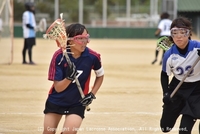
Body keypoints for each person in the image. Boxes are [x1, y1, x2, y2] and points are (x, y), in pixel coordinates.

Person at [42, 23, 104, 134]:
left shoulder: (93, 56)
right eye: (80, 38)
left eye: (86, 38)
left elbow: (100, 75)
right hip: (57, 100)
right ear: (69, 41)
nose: (85, 41)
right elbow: (59, 88)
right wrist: (69, 78)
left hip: (77, 103)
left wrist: (92, 94)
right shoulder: (59, 57)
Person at [160, 17, 200, 134]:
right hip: (178, 87)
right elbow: (164, 75)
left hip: (197, 88)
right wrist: (166, 92)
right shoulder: (169, 54)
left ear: (189, 34)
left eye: (183, 33)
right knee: (165, 127)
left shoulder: (197, 47)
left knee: (184, 130)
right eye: (175, 33)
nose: (179, 36)